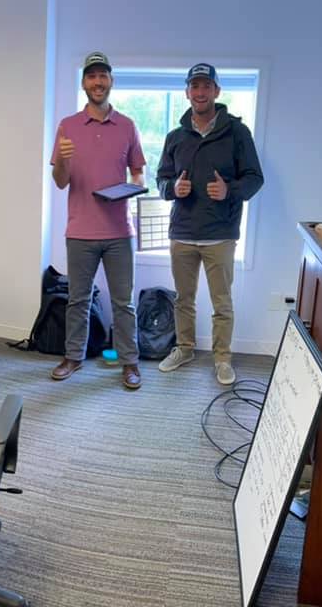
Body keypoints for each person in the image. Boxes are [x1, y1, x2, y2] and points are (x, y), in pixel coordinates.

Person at [155, 63, 265, 385]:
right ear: (187, 92)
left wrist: (229, 190)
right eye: (195, 86)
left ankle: (222, 358)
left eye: (207, 86)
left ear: (217, 91)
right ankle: (184, 348)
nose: (200, 92)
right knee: (183, 299)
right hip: (183, 233)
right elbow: (161, 180)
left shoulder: (237, 132)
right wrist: (172, 188)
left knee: (221, 303)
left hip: (219, 234)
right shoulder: (175, 137)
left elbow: (255, 178)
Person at [49, 52, 145, 390]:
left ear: (111, 81)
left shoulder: (128, 126)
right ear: (84, 83)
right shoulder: (68, 126)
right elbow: (60, 181)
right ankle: (72, 357)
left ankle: (129, 362)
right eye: (91, 76)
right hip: (80, 231)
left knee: (124, 303)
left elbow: (138, 172)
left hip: (120, 231)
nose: (97, 82)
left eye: (103, 75)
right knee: (78, 299)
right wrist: (62, 159)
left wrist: (132, 187)